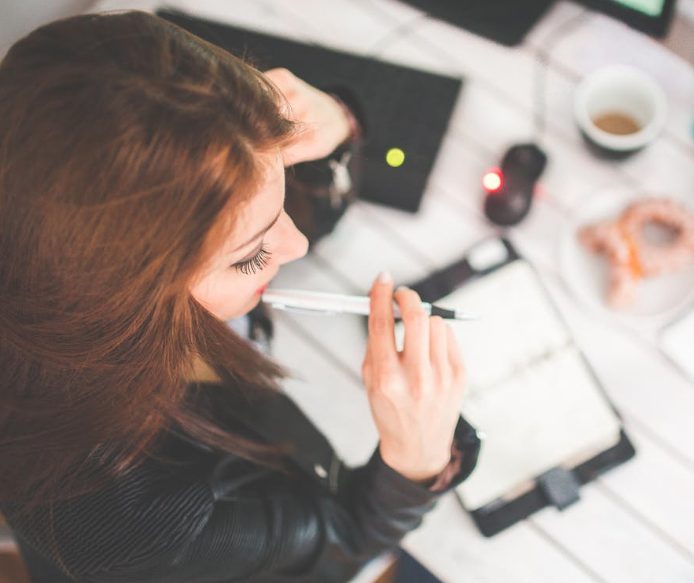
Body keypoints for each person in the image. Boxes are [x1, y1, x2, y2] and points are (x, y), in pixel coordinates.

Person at [0, 10, 480, 583]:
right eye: (250, 255)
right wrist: (415, 461)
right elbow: (344, 546)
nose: (296, 245)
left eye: (282, 174)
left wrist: (337, 122)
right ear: (125, 295)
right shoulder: (132, 512)